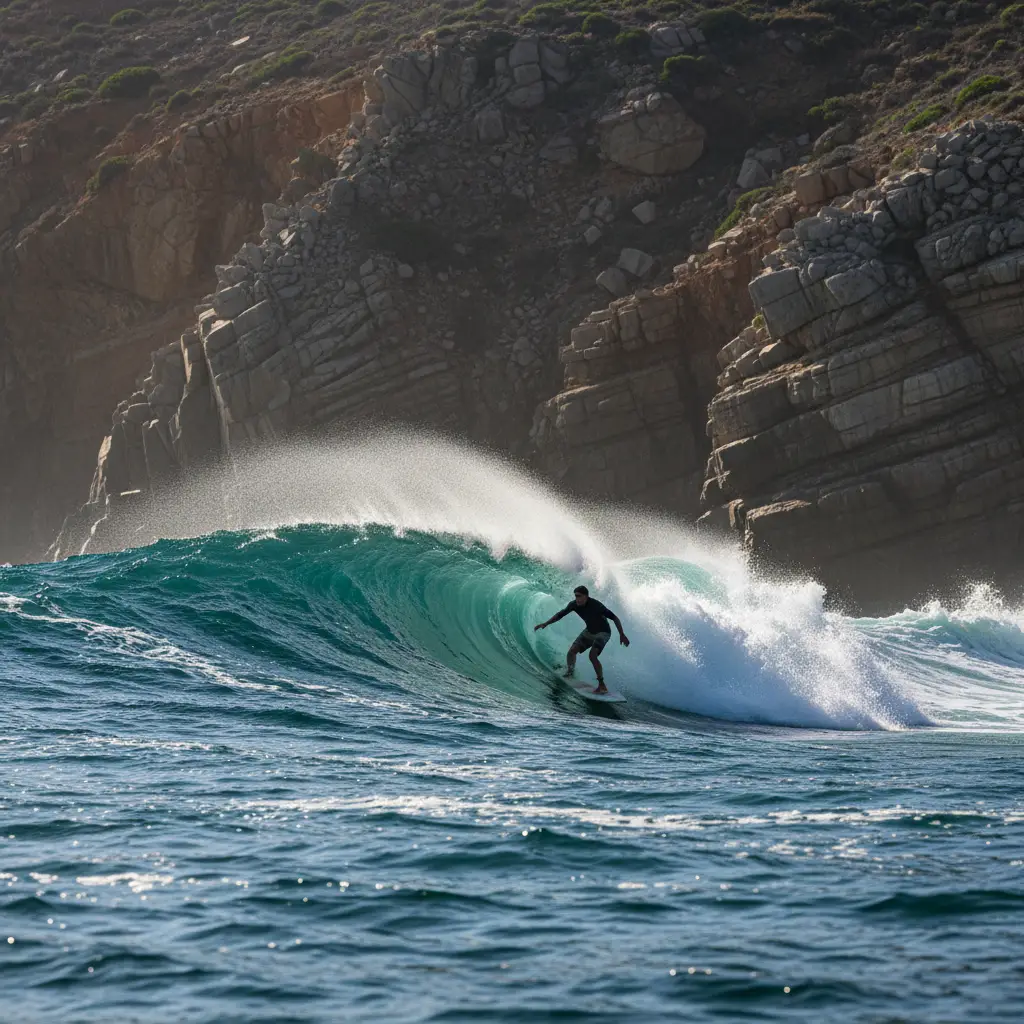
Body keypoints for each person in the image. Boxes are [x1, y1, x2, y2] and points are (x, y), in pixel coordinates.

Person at [534, 585, 630, 695]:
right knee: (571, 652)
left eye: (579, 596)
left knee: (592, 655)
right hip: (589, 631)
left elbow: (614, 617)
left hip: (603, 633)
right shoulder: (574, 605)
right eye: (576, 596)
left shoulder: (596, 605)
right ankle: (570, 673)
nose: (577, 599)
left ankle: (602, 685)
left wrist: (622, 634)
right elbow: (560, 614)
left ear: (586, 596)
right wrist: (546, 623)